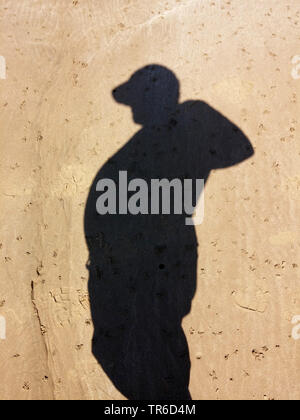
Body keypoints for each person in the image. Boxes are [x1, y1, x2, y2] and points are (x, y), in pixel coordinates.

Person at [84, 65, 254, 400]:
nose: (133, 107)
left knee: (150, 348)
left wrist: (188, 121)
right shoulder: (153, 137)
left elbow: (239, 148)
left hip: (156, 259)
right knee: (129, 348)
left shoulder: (183, 127)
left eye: (137, 98)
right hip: (126, 266)